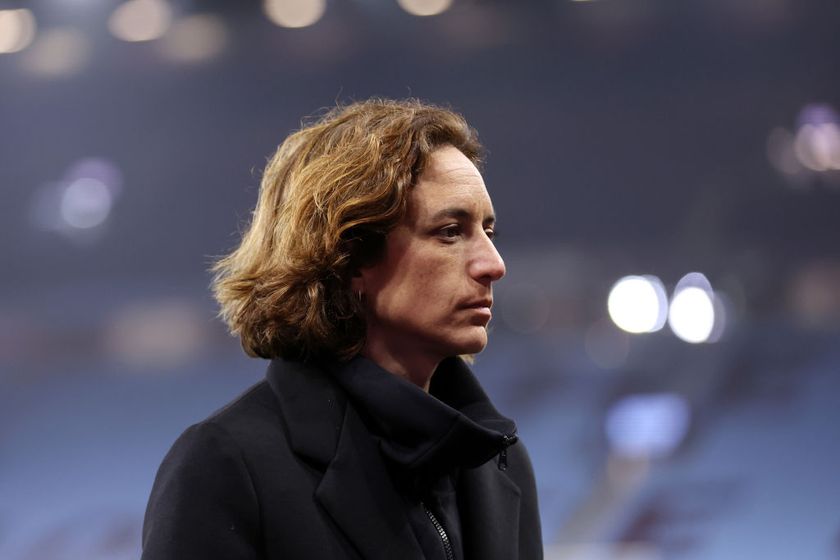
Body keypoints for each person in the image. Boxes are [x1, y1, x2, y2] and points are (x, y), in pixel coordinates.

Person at [141, 98, 543, 560]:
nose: (493, 265)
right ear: (348, 256)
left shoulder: (503, 468)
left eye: (488, 233)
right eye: (450, 232)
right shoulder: (226, 465)